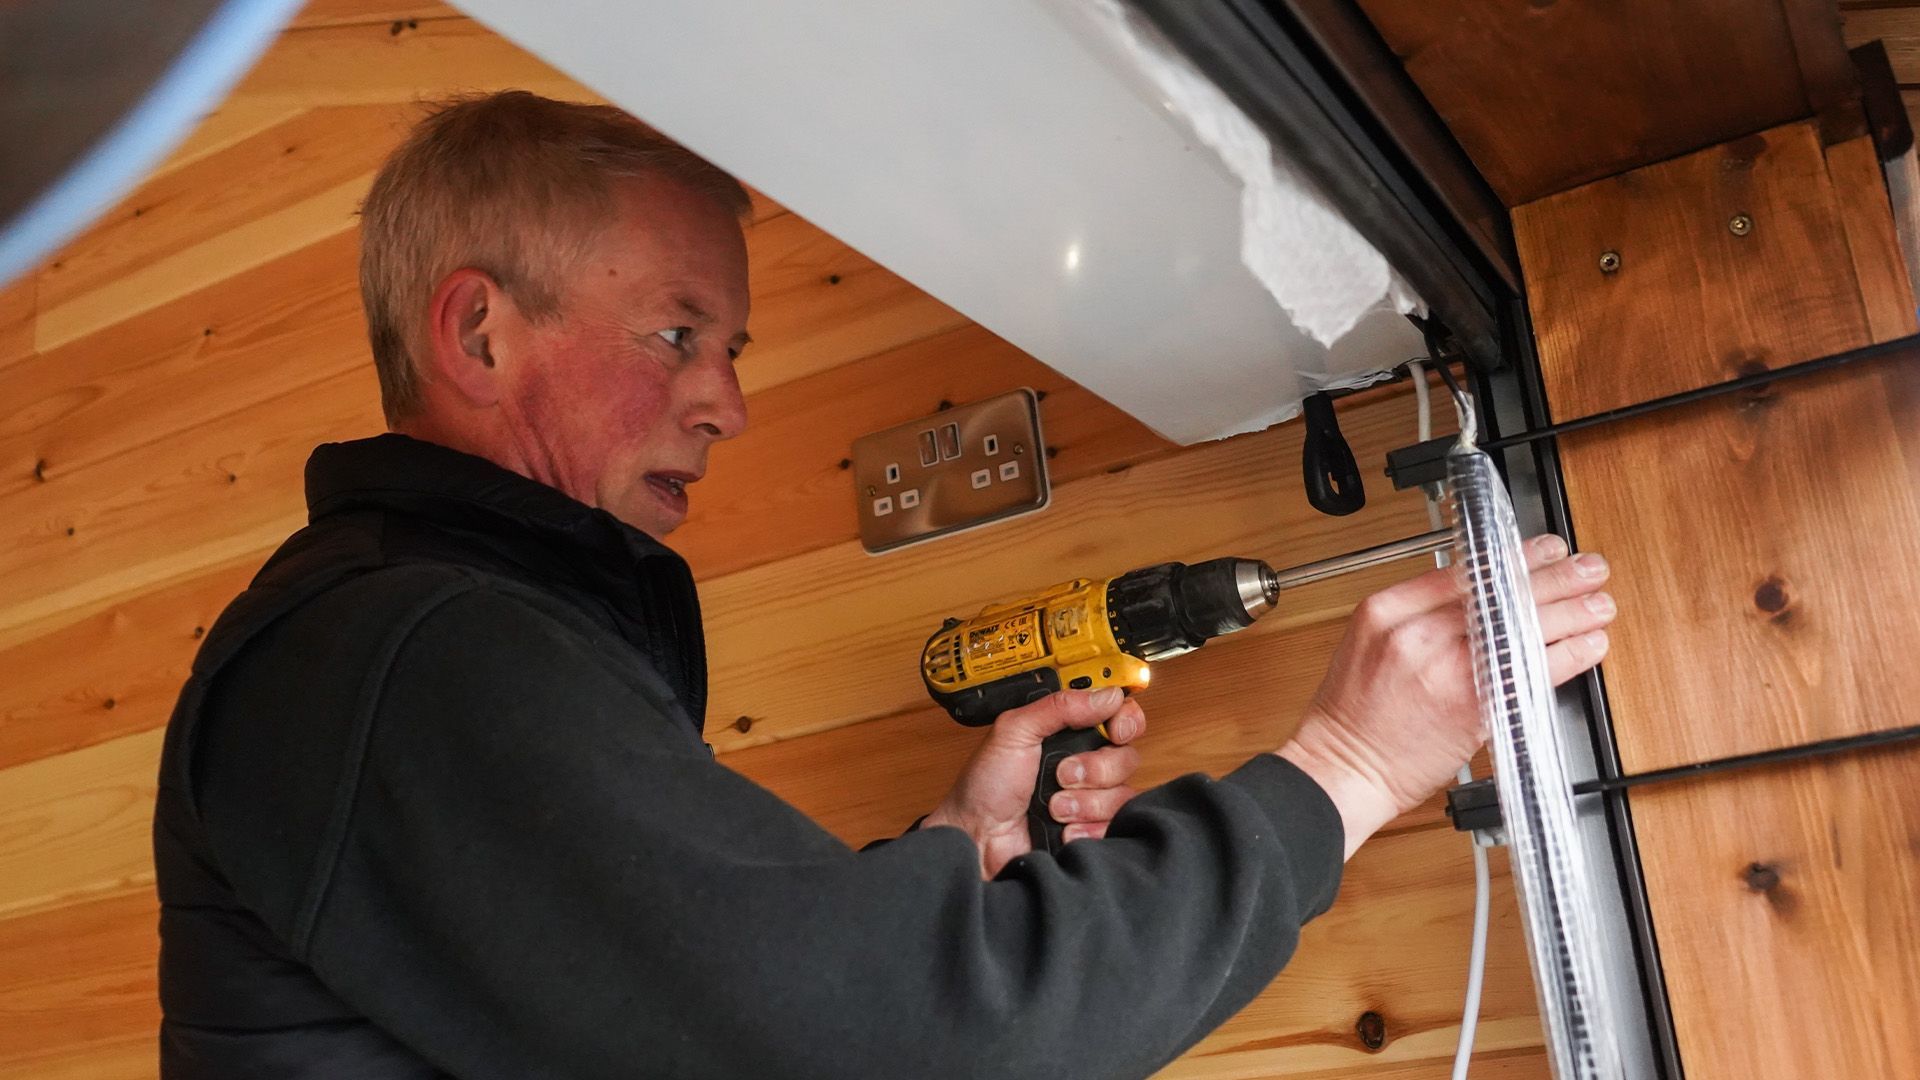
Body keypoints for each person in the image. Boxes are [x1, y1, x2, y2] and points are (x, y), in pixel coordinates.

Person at [153, 91, 1616, 1080]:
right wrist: (1346, 768)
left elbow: (725, 1018)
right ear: (479, 333)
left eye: (731, 350)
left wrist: (936, 864)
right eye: (678, 335)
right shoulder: (410, 651)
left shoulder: (431, 632)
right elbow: (901, 1050)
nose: (727, 404)